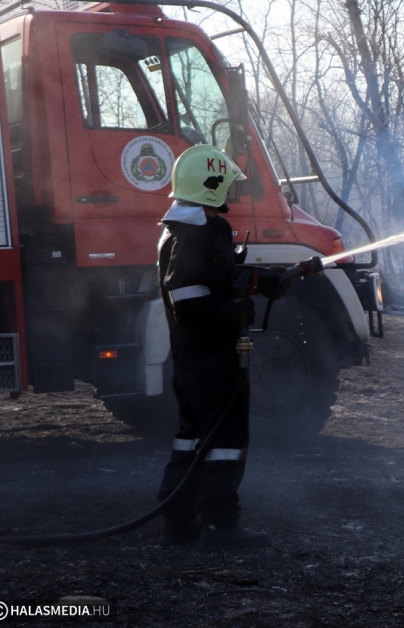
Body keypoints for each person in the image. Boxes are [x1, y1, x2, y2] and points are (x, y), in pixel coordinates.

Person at [155, 144, 269, 550]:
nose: (233, 194)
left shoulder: (200, 228)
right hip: (207, 358)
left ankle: (179, 523)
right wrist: (235, 313)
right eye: (227, 186)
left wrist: (264, 281)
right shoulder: (191, 236)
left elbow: (219, 276)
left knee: (193, 438)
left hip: (198, 357)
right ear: (211, 186)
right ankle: (221, 527)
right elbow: (188, 299)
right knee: (224, 440)